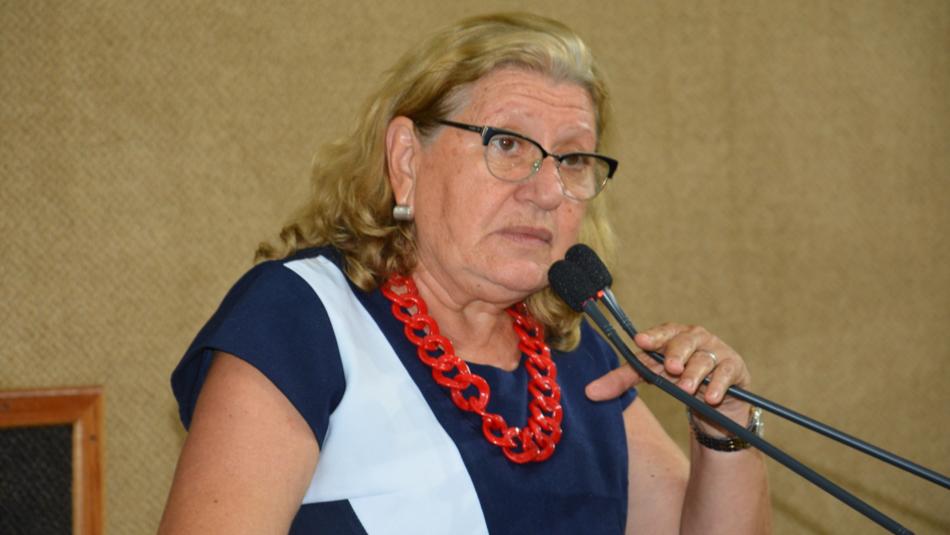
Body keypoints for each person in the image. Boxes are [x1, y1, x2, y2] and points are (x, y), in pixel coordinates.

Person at [159, 12, 771, 535]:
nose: (546, 191)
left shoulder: (578, 354)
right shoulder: (301, 320)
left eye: (572, 159)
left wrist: (724, 425)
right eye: (507, 144)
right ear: (407, 160)